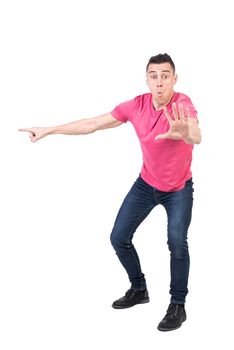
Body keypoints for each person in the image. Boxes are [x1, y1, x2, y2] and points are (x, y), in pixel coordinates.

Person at [19, 53, 201, 331]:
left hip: (178, 189)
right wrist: (50, 129)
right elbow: (93, 124)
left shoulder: (182, 105)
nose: (160, 82)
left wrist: (185, 133)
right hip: (146, 184)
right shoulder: (136, 105)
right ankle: (139, 289)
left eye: (166, 76)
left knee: (177, 241)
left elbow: (196, 134)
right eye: (154, 76)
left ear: (175, 79)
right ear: (147, 79)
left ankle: (178, 305)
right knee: (118, 237)